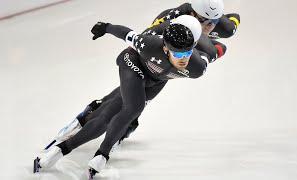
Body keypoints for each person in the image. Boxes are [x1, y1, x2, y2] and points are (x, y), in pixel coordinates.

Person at [41, 0, 240, 152]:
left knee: (151, 87)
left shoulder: (222, 27)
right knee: (142, 81)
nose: (210, 26)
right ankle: (101, 109)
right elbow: (141, 48)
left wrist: (213, 48)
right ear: (190, 13)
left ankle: (119, 113)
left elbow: (233, 19)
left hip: (187, 49)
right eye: (205, 21)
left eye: (214, 22)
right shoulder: (168, 21)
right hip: (161, 47)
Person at [34, 15, 219, 178]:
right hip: (133, 63)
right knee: (131, 108)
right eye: (177, 53)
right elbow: (127, 34)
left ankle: (95, 117)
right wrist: (106, 26)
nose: (182, 58)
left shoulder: (196, 68)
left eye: (187, 52)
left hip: (156, 80)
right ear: (165, 48)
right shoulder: (149, 44)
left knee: (122, 108)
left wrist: (216, 50)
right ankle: (67, 150)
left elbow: (215, 51)